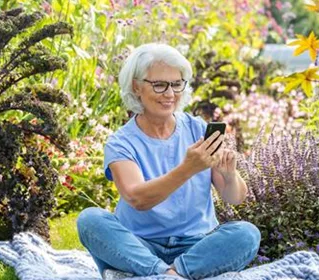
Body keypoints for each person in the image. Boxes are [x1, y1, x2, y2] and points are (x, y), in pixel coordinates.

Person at [77, 43, 260, 280]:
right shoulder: (121, 142)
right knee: (90, 220)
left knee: (247, 234)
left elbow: (234, 197)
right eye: (159, 85)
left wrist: (229, 175)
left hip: (196, 246)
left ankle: (152, 274)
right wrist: (187, 169)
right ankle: (165, 273)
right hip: (139, 246)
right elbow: (137, 198)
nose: (170, 94)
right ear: (136, 87)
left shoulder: (198, 129)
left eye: (176, 84)